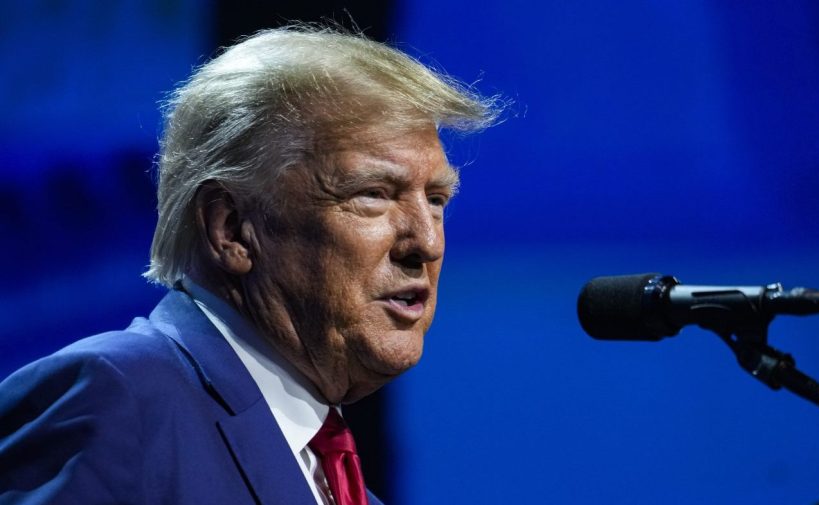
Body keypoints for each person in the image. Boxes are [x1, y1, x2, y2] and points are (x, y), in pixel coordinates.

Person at [0, 25, 501, 504]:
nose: (427, 243)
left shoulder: (341, 486)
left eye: (437, 200)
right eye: (373, 195)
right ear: (232, 228)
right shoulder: (116, 399)